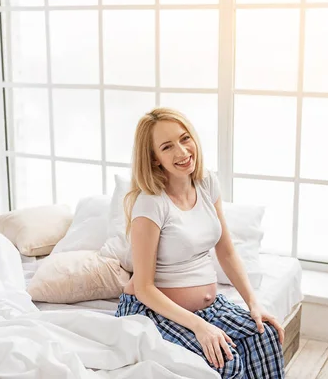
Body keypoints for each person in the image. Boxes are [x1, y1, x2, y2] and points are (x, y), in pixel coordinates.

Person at [115, 108, 285, 378]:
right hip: (153, 311)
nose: (182, 152)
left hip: (208, 306)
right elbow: (145, 288)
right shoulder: (150, 203)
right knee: (225, 362)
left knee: (264, 337)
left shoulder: (206, 183)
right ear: (154, 159)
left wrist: (253, 302)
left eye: (185, 139)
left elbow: (226, 252)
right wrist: (199, 326)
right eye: (167, 147)